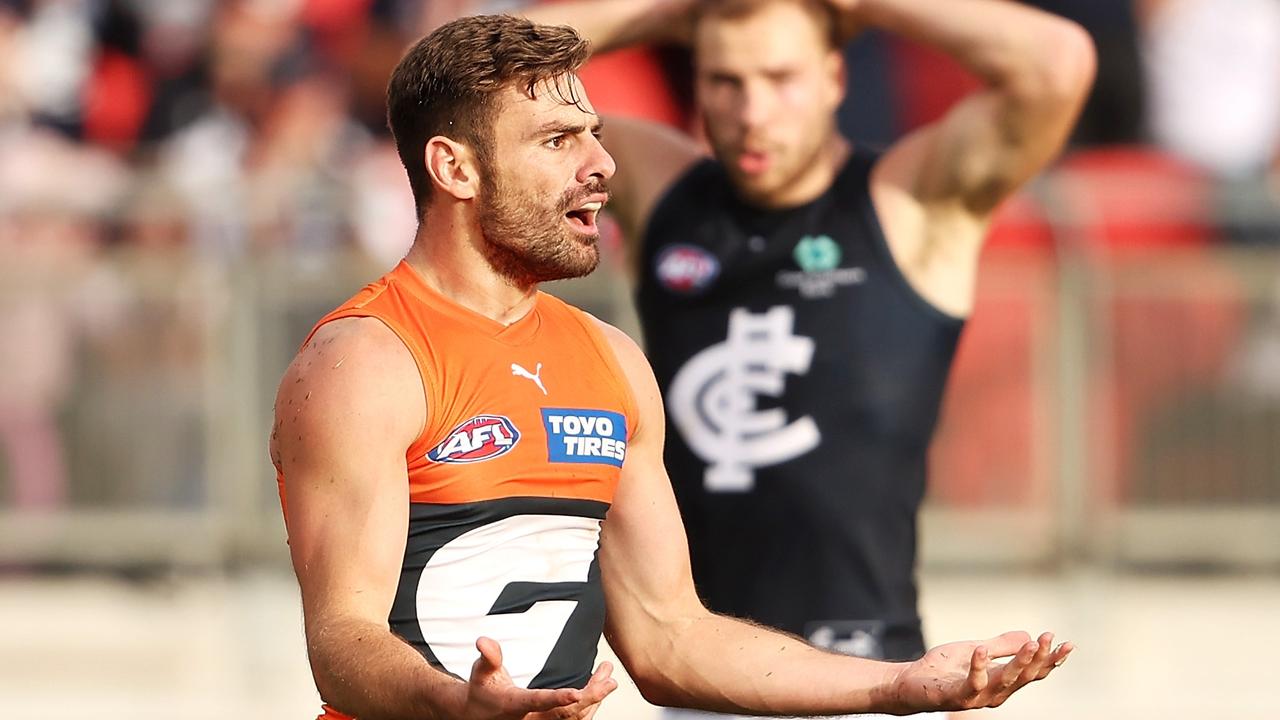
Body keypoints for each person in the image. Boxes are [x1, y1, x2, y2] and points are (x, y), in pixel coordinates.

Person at [271, 13, 1074, 720]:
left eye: (591, 133)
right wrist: (457, 705)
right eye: (558, 141)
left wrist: (900, 687)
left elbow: (669, 635)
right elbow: (342, 640)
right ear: (455, 170)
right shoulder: (364, 361)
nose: (603, 164)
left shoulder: (610, 361)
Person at [519, 0, 1094, 703]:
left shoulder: (907, 201)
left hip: (875, 676)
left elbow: (1057, 64)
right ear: (696, 81)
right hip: (702, 680)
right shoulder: (662, 188)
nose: (753, 111)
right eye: (726, 81)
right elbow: (464, 76)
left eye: (781, 77)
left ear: (833, 76)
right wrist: (670, 9)